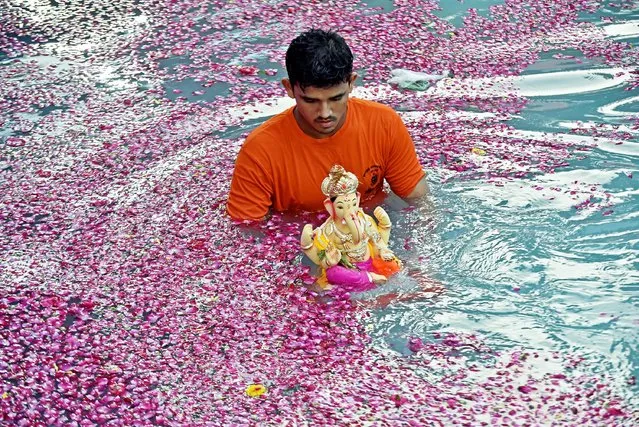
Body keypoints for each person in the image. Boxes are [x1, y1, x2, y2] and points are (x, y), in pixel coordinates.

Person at [227, 28, 429, 221]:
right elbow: (248, 231)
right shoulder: (260, 150)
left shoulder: (384, 124)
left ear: (351, 83)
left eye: (336, 98)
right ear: (289, 88)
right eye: (310, 101)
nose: (325, 113)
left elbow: (421, 202)